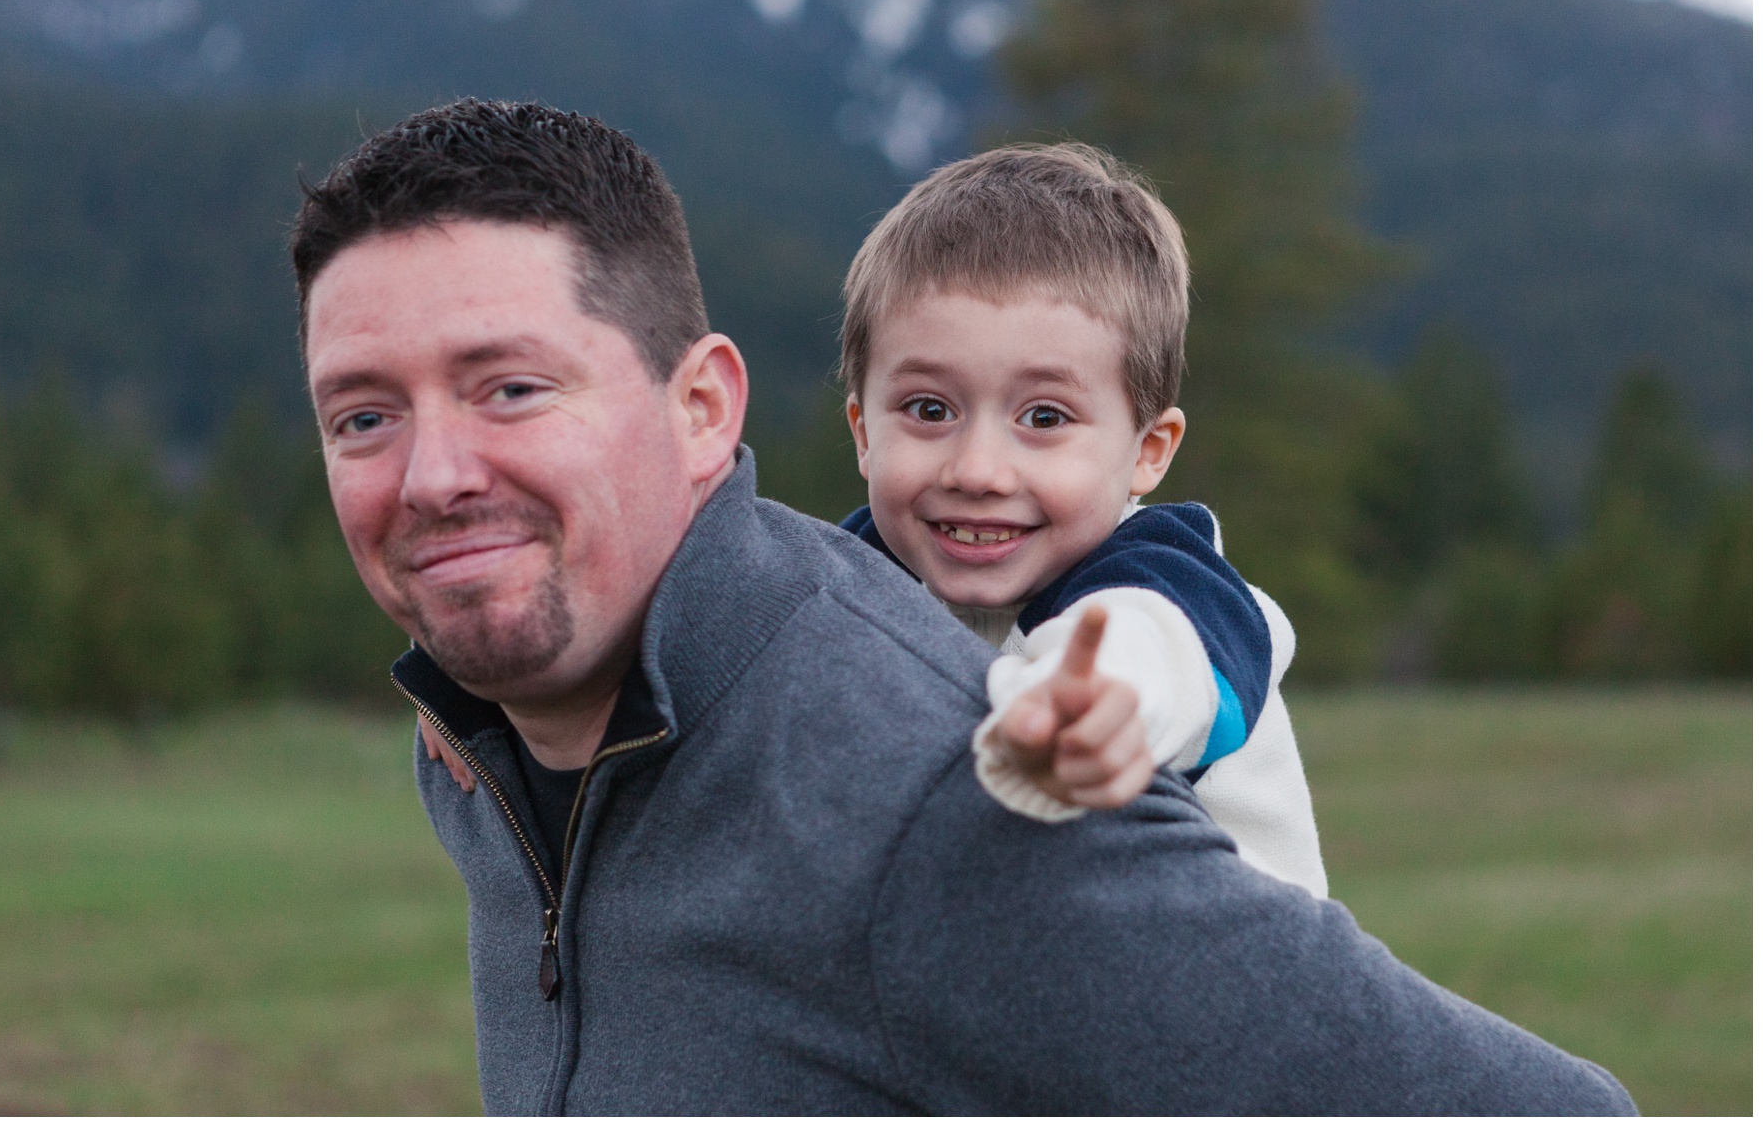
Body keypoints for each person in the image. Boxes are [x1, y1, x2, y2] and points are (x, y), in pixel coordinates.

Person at [292, 98, 1634, 1114]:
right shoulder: (505, 739)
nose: (436, 475)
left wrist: (1097, 709)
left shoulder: (971, 767)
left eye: (510, 386)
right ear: (865, 425)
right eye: (364, 414)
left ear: (702, 407)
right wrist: (486, 727)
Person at [835, 143, 1325, 896]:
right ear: (865, 431)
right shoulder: (845, 585)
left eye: (1044, 415)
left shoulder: (1172, 583)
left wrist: (1093, 702)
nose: (977, 470)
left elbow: (1159, 651)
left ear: (1147, 452)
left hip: (1225, 993)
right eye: (930, 409)